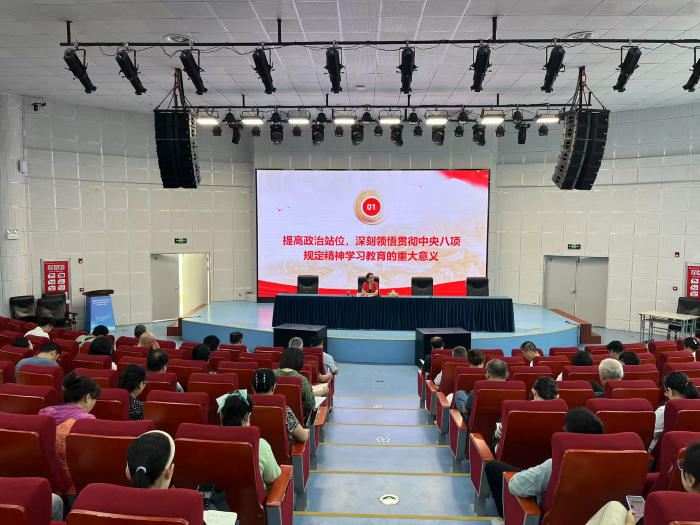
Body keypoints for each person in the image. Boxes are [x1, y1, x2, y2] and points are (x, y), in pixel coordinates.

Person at [485, 407, 605, 523]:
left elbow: (516, 485)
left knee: (493, 467)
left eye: (565, 429)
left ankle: (506, 520)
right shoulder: (608, 464)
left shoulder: (556, 465)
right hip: (593, 518)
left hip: (549, 518)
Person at [586, 441, 700, 525]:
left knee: (614, 508)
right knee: (614, 506)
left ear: (692, 480)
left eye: (682, 465)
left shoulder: (667, 505)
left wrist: (630, 524)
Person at [39, 372, 100, 478]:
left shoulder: (44, 412)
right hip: (71, 477)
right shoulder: (87, 421)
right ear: (88, 397)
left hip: (43, 473)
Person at [218, 390, 281, 487]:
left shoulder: (208, 444)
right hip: (253, 497)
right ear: (248, 417)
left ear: (221, 416)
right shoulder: (260, 445)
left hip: (218, 496)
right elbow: (271, 479)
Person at [491, 377, 559, 453]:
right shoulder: (563, 415)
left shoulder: (514, 410)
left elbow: (498, 434)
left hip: (512, 454)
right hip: (546, 455)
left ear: (534, 392)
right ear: (557, 396)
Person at [252, 368, 309, 446]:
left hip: (254, 452)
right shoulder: (284, 410)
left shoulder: (244, 408)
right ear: (274, 387)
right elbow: (303, 437)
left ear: (252, 387)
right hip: (281, 453)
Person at [650, 371, 700, 451]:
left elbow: (652, 434)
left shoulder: (665, 411)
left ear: (670, 391)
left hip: (670, 451)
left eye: (666, 392)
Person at [275, 346, 327, 420]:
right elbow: (311, 404)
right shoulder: (301, 380)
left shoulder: (272, 375)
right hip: (297, 419)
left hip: (275, 417)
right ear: (299, 362)